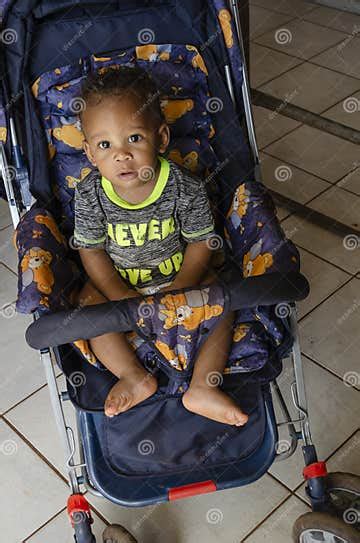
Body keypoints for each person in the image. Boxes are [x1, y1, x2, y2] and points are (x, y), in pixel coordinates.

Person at [72, 65, 248, 427]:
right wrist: (119, 294)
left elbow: (201, 242)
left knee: (223, 296)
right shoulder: (89, 195)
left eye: (134, 138)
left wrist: (182, 286)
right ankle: (134, 375)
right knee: (86, 303)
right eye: (105, 145)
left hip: (178, 276)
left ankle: (202, 385)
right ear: (90, 153)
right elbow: (91, 250)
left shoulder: (185, 186)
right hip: (120, 285)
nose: (121, 155)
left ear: (161, 138)